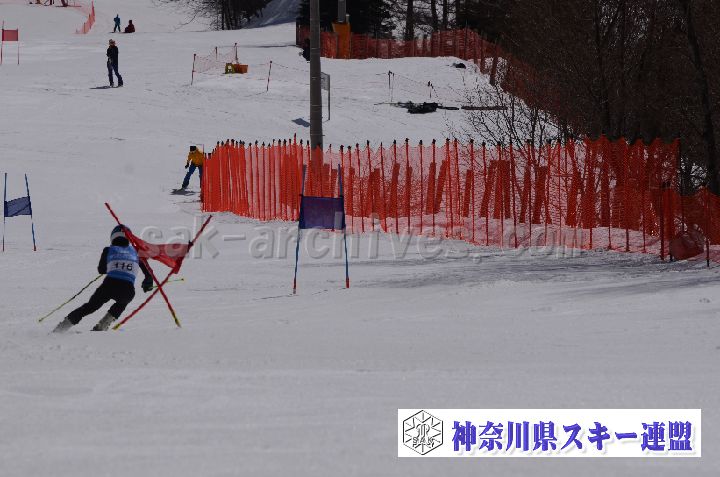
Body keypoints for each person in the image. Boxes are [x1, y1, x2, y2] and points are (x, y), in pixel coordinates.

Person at [53, 225, 153, 333]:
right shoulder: (137, 253)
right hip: (127, 289)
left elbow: (101, 270)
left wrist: (113, 266)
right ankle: (102, 326)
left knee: (90, 307)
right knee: (122, 303)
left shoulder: (109, 250)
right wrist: (147, 283)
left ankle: (62, 327)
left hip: (109, 285)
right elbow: (149, 274)